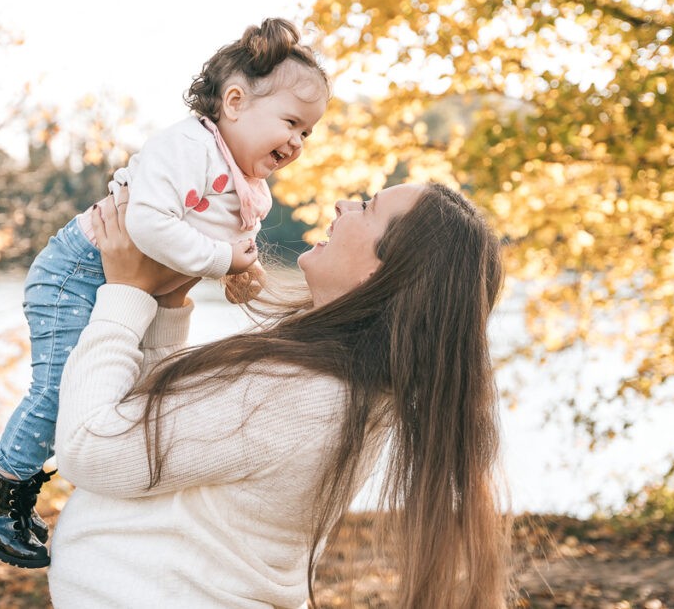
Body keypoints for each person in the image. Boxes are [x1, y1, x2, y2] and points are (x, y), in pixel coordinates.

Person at [0, 18, 330, 568]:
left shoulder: (248, 185)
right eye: (291, 122)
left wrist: (240, 272)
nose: (297, 142)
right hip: (76, 271)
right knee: (62, 389)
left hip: (128, 284)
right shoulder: (188, 147)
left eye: (308, 133)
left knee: (119, 389)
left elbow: (228, 245)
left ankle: (16, 479)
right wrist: (220, 259)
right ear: (234, 102)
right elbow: (149, 225)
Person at [49, 181, 511, 607]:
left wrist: (125, 293)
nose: (343, 205)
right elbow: (161, 440)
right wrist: (167, 308)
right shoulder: (346, 388)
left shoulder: (300, 395)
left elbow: (91, 448)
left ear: (381, 272)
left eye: (367, 208)